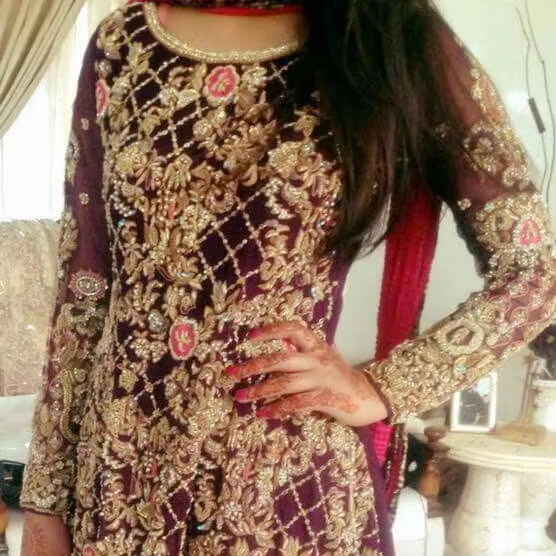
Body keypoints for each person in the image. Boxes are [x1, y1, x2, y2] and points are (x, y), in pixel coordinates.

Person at [18, 1, 556, 555]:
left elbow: (534, 273)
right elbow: (85, 288)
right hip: (119, 479)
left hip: (279, 488)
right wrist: (45, 498)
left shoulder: (392, 33)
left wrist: (384, 388)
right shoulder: (124, 41)